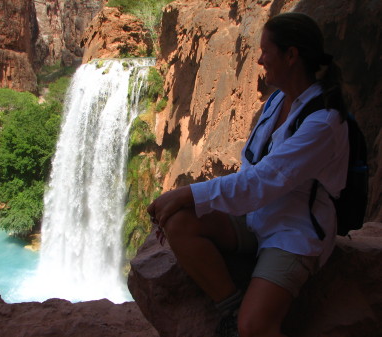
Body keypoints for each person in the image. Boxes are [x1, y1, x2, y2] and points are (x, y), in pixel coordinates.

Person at [147, 12, 349, 337]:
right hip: (255, 216)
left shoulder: (322, 122)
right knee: (179, 222)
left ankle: (244, 319)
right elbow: (251, 166)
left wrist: (186, 194)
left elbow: (261, 181)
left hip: (293, 232)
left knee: (255, 327)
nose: (259, 60)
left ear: (291, 55)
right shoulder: (278, 100)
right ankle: (230, 306)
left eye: (266, 51)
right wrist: (191, 205)